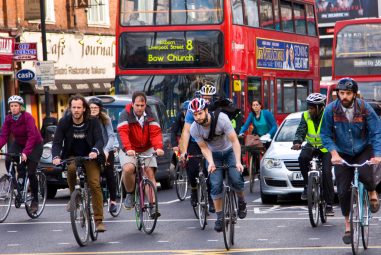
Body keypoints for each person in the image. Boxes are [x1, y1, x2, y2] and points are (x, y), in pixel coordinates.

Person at [320, 77, 381, 244]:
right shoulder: (331, 110)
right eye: (341, 93)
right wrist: (333, 153)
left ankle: (371, 192)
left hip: (363, 148)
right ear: (337, 94)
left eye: (348, 93)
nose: (344, 96)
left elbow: (376, 131)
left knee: (366, 175)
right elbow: (324, 134)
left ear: (354, 94)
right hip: (342, 152)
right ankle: (348, 225)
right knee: (342, 190)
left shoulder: (364, 108)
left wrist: (377, 155)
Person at [188, 98, 247, 232]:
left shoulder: (222, 119)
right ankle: (220, 218)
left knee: (236, 179)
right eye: (195, 114)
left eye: (200, 113)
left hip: (229, 151)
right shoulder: (194, 128)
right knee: (215, 185)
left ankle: (242, 202)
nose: (197, 117)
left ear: (206, 111)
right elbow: (203, 148)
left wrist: (238, 161)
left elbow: (235, 141)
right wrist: (211, 163)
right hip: (213, 154)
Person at [52, 94, 106, 232]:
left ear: (84, 109)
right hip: (72, 155)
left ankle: (99, 220)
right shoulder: (64, 122)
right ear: (70, 108)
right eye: (74, 107)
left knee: (94, 184)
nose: (76, 110)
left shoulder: (93, 121)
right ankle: (73, 196)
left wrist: (95, 150)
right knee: (70, 170)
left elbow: (100, 140)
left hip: (90, 156)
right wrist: (56, 156)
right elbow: (57, 142)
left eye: (79, 107)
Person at [117, 91, 164, 218]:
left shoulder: (150, 114)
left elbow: (155, 133)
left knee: (149, 173)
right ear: (132, 104)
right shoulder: (124, 115)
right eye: (137, 105)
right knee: (128, 169)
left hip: (146, 148)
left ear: (145, 105)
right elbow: (123, 134)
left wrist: (158, 147)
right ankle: (130, 193)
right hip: (129, 148)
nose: (139, 108)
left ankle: (153, 206)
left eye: (142, 105)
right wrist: (128, 149)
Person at [291, 93, 335, 216]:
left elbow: (333, 132)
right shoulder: (305, 115)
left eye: (312, 108)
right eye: (309, 107)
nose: (309, 110)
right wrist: (297, 142)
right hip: (311, 146)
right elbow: (301, 130)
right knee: (302, 158)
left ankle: (329, 204)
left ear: (320, 107)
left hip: (326, 148)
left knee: (326, 172)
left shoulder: (328, 115)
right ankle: (307, 185)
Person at [0, 95, 43, 214]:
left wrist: (26, 152)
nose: (13, 108)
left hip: (34, 144)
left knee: (31, 172)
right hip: (19, 142)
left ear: (20, 107)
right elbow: (3, 135)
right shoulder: (9, 119)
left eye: (16, 106)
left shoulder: (27, 117)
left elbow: (32, 136)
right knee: (9, 159)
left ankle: (35, 199)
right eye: (11, 106)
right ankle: (17, 185)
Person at [179, 83, 217, 212]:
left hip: (210, 141)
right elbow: (186, 131)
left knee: (209, 171)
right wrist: (184, 152)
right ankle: (194, 190)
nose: (206, 100)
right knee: (192, 167)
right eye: (204, 97)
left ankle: (211, 199)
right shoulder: (192, 109)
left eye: (209, 98)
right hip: (195, 142)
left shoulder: (214, 108)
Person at [88, 97, 118, 214]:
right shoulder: (86, 120)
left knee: (109, 172)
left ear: (100, 109)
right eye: (91, 108)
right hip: (92, 151)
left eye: (96, 108)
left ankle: (113, 201)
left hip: (106, 149)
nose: (93, 110)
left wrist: (106, 150)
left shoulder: (106, 119)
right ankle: (101, 198)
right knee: (93, 174)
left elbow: (111, 136)